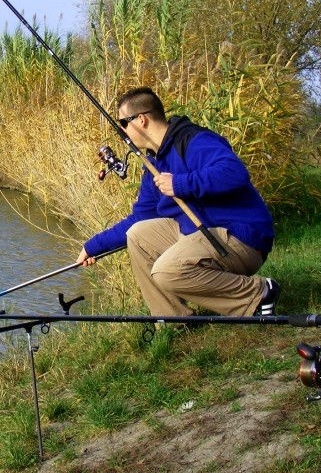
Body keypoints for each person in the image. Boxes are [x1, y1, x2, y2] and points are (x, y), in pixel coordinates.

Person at [77, 86, 280, 318]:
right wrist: (92, 246)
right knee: (138, 234)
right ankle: (173, 318)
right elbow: (140, 217)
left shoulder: (193, 140)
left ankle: (259, 293)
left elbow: (234, 172)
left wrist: (180, 184)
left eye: (123, 124)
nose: (121, 132)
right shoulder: (154, 164)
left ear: (141, 119)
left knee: (166, 271)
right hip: (200, 236)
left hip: (238, 237)